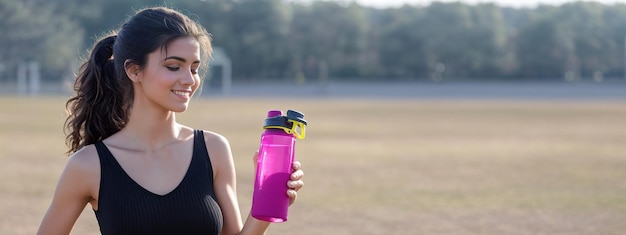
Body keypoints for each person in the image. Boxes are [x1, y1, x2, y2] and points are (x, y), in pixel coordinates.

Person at [37, 6, 304, 235]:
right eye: (174, 66)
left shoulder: (213, 149)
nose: (189, 79)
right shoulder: (88, 165)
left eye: (195, 68)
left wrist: (268, 198)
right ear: (134, 70)